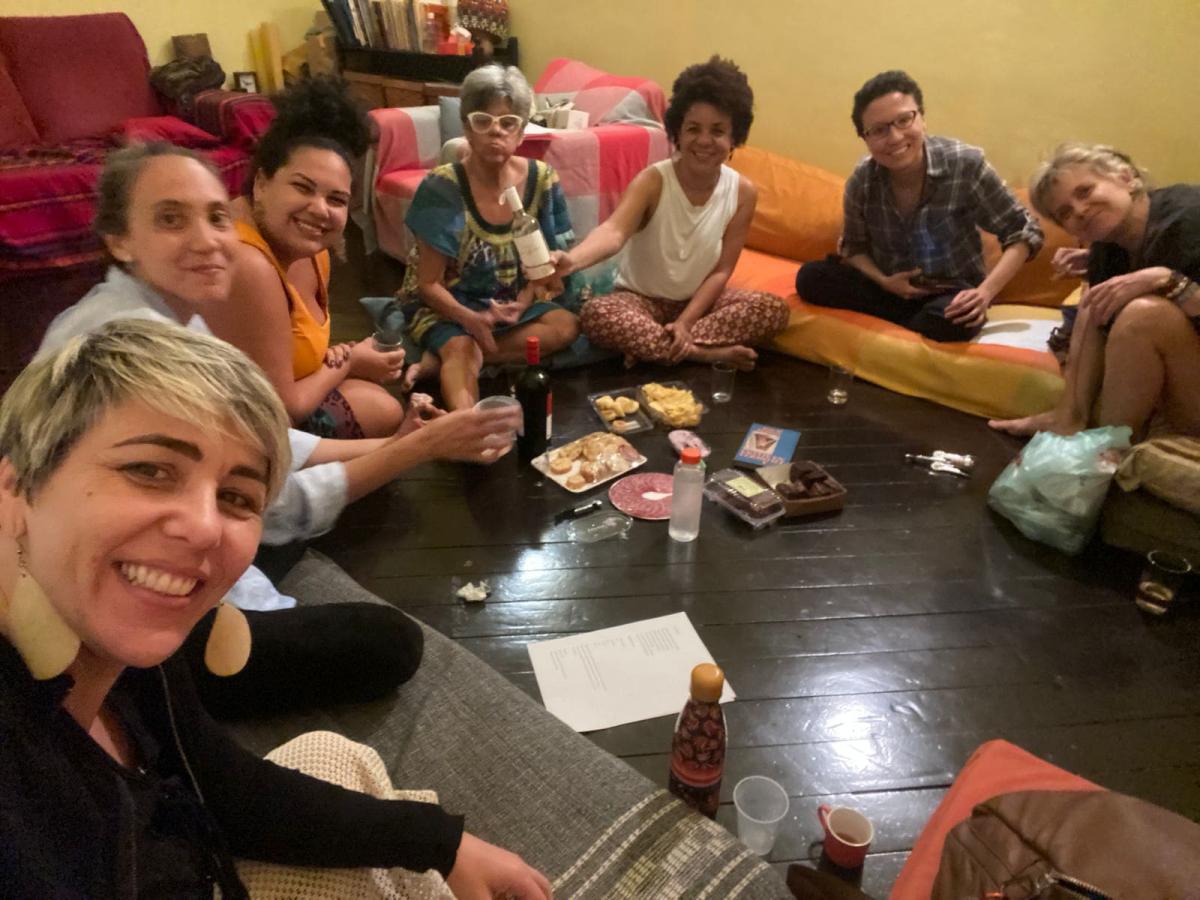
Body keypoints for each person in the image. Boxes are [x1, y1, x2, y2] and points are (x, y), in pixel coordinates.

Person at [0, 320, 553, 899]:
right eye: (149, 470)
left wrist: (439, 842)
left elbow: (222, 785)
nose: (204, 527)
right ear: (15, 486)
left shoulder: (127, 646)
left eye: (235, 496)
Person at [37, 142, 521, 717]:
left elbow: (259, 444)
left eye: (216, 217)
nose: (206, 240)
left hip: (143, 553)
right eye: (171, 219)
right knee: (392, 643)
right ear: (120, 240)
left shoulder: (171, 317)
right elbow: (273, 505)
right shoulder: (139, 349)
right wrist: (421, 448)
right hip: (130, 606)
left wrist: (397, 445)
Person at [206, 77, 410, 439]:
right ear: (262, 181)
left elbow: (285, 347)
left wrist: (338, 356)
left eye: (336, 197)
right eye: (303, 185)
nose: (319, 209)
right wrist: (350, 360)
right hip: (238, 426)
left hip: (280, 393)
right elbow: (283, 409)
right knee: (390, 418)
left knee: (384, 408)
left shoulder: (310, 247)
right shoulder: (248, 261)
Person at [556, 56, 789, 370]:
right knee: (597, 315)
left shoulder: (743, 193)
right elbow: (614, 231)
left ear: (735, 137)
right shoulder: (653, 181)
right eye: (693, 128)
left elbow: (721, 271)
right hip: (639, 301)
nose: (704, 141)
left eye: (718, 131)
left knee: (772, 310)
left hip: (700, 306)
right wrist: (571, 261)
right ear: (677, 132)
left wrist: (686, 322)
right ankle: (702, 354)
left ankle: (659, 347)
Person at [795, 70, 1044, 342]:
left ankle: (905, 321)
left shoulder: (965, 164)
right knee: (810, 278)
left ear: (922, 118)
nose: (894, 137)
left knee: (952, 319)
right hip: (885, 286)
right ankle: (912, 321)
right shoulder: (862, 180)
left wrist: (985, 293)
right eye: (879, 130)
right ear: (865, 139)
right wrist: (884, 281)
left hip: (948, 291)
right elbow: (853, 247)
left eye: (904, 120)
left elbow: (1023, 230)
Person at [399, 64, 580, 410]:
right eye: (483, 121)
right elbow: (428, 284)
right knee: (461, 346)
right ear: (466, 128)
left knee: (566, 325)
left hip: (509, 305)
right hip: (449, 304)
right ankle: (465, 414)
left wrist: (523, 302)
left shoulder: (543, 179)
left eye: (508, 123)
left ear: (522, 132)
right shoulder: (442, 186)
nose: (496, 132)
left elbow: (544, 266)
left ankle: (449, 358)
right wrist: (470, 320)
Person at [988, 143, 1200, 439]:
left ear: (1126, 177)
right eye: (1065, 213)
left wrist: (1168, 281)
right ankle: (1069, 418)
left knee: (1143, 316)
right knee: (1095, 301)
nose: (1080, 211)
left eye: (1085, 191)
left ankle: (1104, 448)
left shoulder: (1191, 216)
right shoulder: (1108, 248)